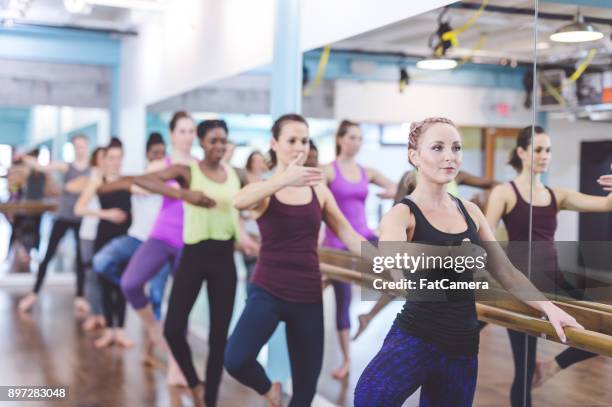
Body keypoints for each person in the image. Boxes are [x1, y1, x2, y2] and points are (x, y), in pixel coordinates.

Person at [353, 117, 582, 407]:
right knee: (369, 399)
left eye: (456, 148)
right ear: (415, 156)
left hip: (462, 345)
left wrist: (549, 308)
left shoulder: (471, 211)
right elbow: (393, 260)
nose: (449, 156)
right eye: (437, 147)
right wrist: (453, 256)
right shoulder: (402, 213)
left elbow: (507, 272)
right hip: (416, 337)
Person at [224, 113, 369, 407]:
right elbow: (239, 201)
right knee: (236, 359)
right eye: (291, 140)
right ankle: (269, 390)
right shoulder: (266, 190)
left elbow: (350, 236)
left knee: (304, 392)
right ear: (274, 143)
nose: (299, 147)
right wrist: (281, 180)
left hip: (308, 296)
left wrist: (388, 262)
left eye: (304, 140)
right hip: (268, 290)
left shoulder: (318, 189)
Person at [485, 125, 612, 405]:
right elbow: (486, 237)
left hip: (555, 282)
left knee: (604, 326)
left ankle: (552, 366)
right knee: (525, 370)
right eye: (538, 149)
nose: (545, 155)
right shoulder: (504, 193)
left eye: (548, 150)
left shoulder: (558, 195)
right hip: (522, 289)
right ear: (522, 152)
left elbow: (605, 205)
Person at [134, 119, 246, 407]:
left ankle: (209, 400)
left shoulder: (236, 174)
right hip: (194, 255)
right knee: (172, 328)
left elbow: (259, 198)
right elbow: (144, 181)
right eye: (213, 141)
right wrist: (183, 194)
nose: (219, 146)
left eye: (224, 140)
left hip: (224, 258)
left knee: (218, 338)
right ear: (201, 142)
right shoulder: (188, 171)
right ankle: (195, 384)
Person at [321, 119, 397, 380]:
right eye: (351, 137)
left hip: (364, 237)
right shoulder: (328, 171)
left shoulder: (367, 172)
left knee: (400, 274)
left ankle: (369, 316)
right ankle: (345, 360)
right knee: (342, 303)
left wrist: (390, 195)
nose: (356, 142)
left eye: (359, 138)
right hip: (337, 245)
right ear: (340, 139)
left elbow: (400, 187)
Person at [18, 135, 91, 314]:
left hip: (81, 219)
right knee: (48, 254)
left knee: (81, 259)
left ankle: (80, 296)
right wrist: (25, 158)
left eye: (82, 146)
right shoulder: (67, 166)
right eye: (77, 146)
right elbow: (43, 167)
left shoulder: (92, 170)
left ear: (87, 147)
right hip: (64, 217)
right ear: (73, 148)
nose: (79, 149)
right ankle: (34, 293)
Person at [74, 138, 132, 348]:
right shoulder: (98, 183)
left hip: (125, 239)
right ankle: (109, 331)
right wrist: (105, 213)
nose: (116, 162)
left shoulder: (127, 182)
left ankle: (122, 331)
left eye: (119, 157)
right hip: (104, 238)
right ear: (104, 160)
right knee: (106, 286)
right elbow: (79, 209)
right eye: (111, 158)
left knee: (124, 284)